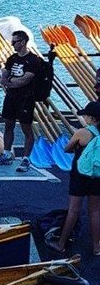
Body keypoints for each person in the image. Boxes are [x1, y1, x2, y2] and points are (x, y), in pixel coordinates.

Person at [46, 101, 100, 256]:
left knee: (74, 210)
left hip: (80, 175)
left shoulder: (82, 132)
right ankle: (97, 247)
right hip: (97, 175)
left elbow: (67, 148)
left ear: (91, 118)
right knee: (95, 211)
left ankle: (61, 244)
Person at [0, 30, 42, 173]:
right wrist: (9, 81)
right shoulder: (12, 58)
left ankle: (26, 159)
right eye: (12, 41)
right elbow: (4, 76)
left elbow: (25, 79)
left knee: (26, 128)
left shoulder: (33, 60)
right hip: (11, 97)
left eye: (14, 42)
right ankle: (7, 153)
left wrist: (10, 82)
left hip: (26, 98)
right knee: (8, 125)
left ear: (23, 42)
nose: (12, 44)